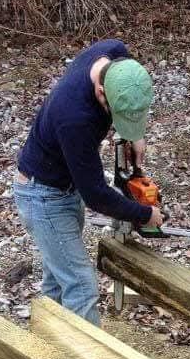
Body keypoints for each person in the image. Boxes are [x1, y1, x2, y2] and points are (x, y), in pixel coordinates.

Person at [14, 40, 163, 327]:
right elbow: (96, 195)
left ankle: (47, 344)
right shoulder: (75, 118)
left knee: (58, 278)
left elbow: (128, 89)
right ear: (100, 91)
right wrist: (145, 214)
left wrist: (134, 133)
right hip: (44, 197)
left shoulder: (115, 54)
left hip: (62, 188)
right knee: (81, 286)